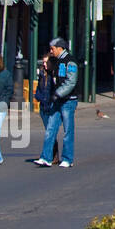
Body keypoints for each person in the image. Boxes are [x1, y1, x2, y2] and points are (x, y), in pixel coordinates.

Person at [35, 38, 77, 168]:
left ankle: (67, 158)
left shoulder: (70, 61)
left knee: (67, 130)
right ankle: (46, 157)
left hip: (68, 101)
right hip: (58, 101)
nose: (51, 51)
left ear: (60, 48)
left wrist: (58, 93)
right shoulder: (57, 61)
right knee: (50, 129)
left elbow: (71, 82)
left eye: (52, 48)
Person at [33, 55, 60, 165]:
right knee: (49, 132)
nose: (44, 64)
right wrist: (38, 96)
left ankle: (49, 156)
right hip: (43, 106)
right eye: (43, 62)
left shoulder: (55, 74)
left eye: (46, 62)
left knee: (50, 132)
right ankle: (52, 155)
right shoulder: (42, 74)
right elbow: (40, 88)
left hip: (52, 106)